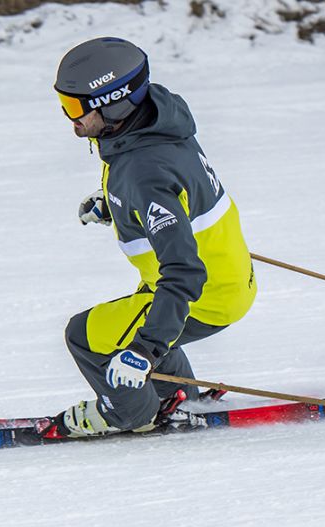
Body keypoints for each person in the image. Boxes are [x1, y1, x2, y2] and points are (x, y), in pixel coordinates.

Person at [47, 37, 259, 438]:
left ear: (113, 103)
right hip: (226, 272)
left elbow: (183, 274)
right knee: (140, 316)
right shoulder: (155, 118)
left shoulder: (145, 173)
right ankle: (177, 394)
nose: (68, 117)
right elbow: (174, 192)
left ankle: (130, 414)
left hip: (204, 294)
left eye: (76, 107)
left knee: (86, 335)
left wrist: (143, 354)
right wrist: (116, 204)